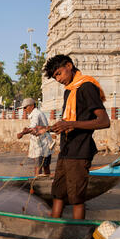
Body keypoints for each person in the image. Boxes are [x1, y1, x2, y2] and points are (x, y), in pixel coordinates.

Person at [37, 54, 110, 220]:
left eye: (59, 73)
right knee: (58, 193)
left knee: (77, 198)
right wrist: (48, 128)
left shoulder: (86, 87)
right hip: (66, 150)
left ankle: (78, 234)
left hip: (80, 151)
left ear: (69, 66)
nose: (58, 79)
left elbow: (104, 121)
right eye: (55, 77)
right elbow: (69, 122)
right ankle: (55, 226)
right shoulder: (69, 91)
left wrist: (70, 124)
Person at [17, 98, 54, 176]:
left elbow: (32, 128)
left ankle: (37, 183)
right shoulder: (36, 113)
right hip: (43, 142)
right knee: (45, 165)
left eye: (25, 107)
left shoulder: (36, 114)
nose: (24, 110)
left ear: (32, 106)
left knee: (38, 166)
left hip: (42, 143)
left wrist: (22, 133)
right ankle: (45, 183)